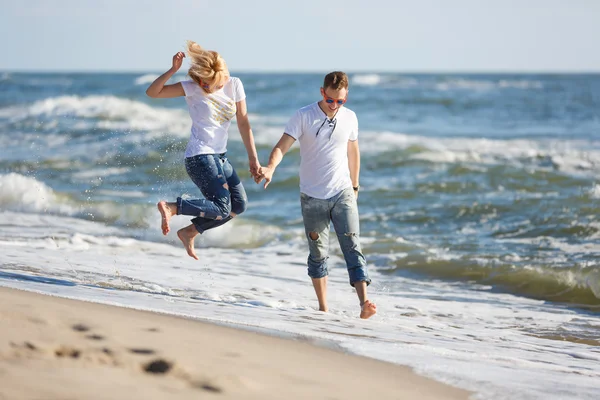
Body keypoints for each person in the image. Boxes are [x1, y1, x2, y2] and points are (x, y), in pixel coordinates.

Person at [255, 71, 377, 319]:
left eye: (340, 101)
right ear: (322, 92)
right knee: (318, 254)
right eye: (331, 100)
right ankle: (323, 309)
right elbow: (282, 145)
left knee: (352, 245)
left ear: (346, 96)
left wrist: (354, 186)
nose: (335, 106)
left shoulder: (350, 117)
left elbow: (353, 152)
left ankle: (364, 303)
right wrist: (270, 168)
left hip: (342, 192)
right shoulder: (303, 116)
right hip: (312, 196)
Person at [146, 41, 260, 260]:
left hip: (220, 156)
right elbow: (153, 93)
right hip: (200, 156)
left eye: (215, 85)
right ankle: (172, 208)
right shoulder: (191, 87)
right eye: (206, 85)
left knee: (239, 205)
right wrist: (172, 70)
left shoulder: (234, 84)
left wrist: (253, 159)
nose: (211, 89)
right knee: (221, 207)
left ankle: (190, 231)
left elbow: (244, 123)